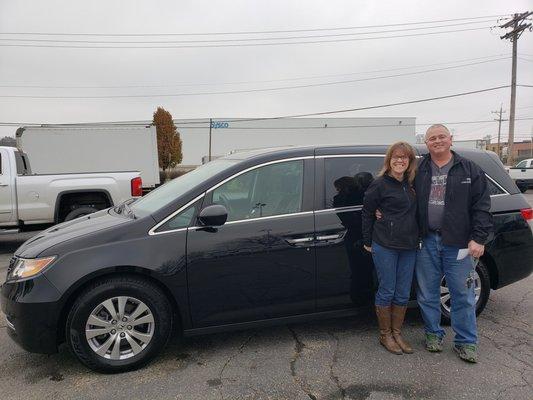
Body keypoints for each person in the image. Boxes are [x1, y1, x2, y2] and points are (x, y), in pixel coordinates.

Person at [415, 124, 492, 363]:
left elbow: (482, 206)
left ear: (451, 139)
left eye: (441, 137)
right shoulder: (418, 169)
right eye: (432, 138)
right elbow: (401, 197)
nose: (437, 141)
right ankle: (433, 334)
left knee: (462, 294)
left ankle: (466, 342)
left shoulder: (469, 169)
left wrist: (478, 238)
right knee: (427, 293)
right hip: (426, 240)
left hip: (458, 242)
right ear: (426, 143)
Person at [362, 142, 418, 355]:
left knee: (403, 293)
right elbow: (367, 213)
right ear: (389, 160)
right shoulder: (379, 185)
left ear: (410, 161)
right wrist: (368, 241)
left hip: (409, 245)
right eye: (396, 157)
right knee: (387, 290)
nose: (400, 160)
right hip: (385, 244)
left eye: (404, 157)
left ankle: (397, 333)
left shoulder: (412, 184)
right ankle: (385, 335)